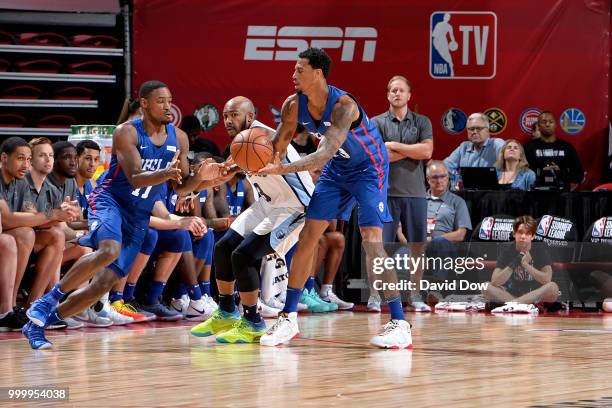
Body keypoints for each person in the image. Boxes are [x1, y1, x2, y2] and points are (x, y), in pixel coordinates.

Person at [23, 80, 223, 349]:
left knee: (102, 284)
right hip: (111, 201)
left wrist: (202, 180)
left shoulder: (180, 138)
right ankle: (47, 300)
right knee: (109, 249)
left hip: (138, 214)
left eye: (169, 100)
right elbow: (136, 178)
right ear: (144, 103)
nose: (167, 106)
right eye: (160, 101)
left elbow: (181, 187)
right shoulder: (126, 132)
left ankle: (38, 325)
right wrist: (166, 173)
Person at [258, 48, 412, 349]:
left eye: (299, 69)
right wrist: (237, 165)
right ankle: (288, 318)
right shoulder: (293, 105)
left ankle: (399, 322)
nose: (293, 75)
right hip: (337, 170)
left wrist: (284, 168)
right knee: (308, 237)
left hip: (369, 169)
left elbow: (322, 154)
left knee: (371, 241)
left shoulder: (344, 106)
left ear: (318, 73)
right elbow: (276, 145)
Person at [190, 95, 315, 343]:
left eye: (234, 115)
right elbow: (225, 172)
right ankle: (226, 311)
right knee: (224, 248)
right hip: (267, 202)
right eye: (225, 115)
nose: (227, 120)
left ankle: (252, 321)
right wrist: (197, 185)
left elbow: (244, 163)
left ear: (249, 116)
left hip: (295, 206)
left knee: (244, 255)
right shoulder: (242, 143)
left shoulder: (263, 138)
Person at [372, 75, 433, 312]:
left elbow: (427, 151)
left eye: (401, 90)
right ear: (388, 95)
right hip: (384, 194)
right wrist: (411, 151)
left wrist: (394, 146)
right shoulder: (376, 123)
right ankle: (376, 296)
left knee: (417, 246)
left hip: (415, 193)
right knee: (380, 247)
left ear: (409, 95)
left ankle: (415, 295)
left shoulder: (422, 122)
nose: (397, 94)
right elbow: (379, 156)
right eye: (393, 90)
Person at [482, 215, 560, 311]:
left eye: (527, 233)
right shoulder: (507, 251)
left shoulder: (540, 250)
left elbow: (547, 279)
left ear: (533, 236)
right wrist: (515, 262)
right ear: (514, 234)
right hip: (510, 294)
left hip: (535, 296)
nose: (523, 236)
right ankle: (522, 306)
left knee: (553, 287)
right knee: (485, 286)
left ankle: (513, 305)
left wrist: (526, 265)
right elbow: (495, 281)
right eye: (520, 232)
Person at [524, 111, 584, 191]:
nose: (547, 124)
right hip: (535, 194)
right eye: (544, 122)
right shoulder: (529, 147)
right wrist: (542, 173)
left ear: (555, 125)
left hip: (562, 194)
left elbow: (579, 174)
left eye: (551, 122)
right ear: (538, 126)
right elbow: (522, 172)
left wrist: (559, 173)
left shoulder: (567, 147)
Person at [444, 112, 505, 179]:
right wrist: (459, 177)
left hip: (493, 189)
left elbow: (511, 167)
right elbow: (444, 167)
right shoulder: (463, 147)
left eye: (479, 128)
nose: (475, 132)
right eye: (471, 129)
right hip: (467, 189)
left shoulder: (497, 144)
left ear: (487, 130)